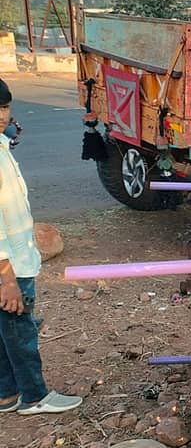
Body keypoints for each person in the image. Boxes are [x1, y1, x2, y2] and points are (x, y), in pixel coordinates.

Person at [0, 79, 83, 415]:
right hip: (11, 266)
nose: (1, 115)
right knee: (21, 333)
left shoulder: (2, 146)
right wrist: (6, 278)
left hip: (15, 260)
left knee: (6, 332)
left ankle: (6, 394)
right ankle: (35, 397)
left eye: (4, 107)